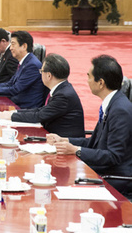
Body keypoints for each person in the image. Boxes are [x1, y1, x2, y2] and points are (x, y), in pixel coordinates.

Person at [47, 55, 132, 198]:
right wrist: (65, 141)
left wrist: (76, 150)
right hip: (105, 169)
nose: (87, 81)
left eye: (89, 77)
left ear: (101, 83)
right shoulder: (112, 103)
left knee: (60, 183)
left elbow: (114, 156)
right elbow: (94, 142)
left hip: (116, 177)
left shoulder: (120, 110)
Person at [0, 54, 85, 137]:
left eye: (41, 71)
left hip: (64, 142)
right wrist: (14, 112)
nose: (40, 74)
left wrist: (11, 116)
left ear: (49, 75)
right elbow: (41, 110)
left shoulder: (63, 95)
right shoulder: (62, 88)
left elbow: (40, 115)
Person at [0, 31, 46, 109]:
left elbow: (15, 89)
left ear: (24, 46)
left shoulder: (32, 65)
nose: (10, 48)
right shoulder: (25, 62)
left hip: (25, 108)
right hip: (16, 103)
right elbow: (9, 83)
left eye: (13, 44)